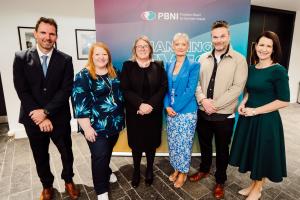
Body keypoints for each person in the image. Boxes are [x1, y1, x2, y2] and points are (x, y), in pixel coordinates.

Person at [13, 17, 80, 200]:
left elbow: (65, 89)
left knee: (66, 153)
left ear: (56, 37)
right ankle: (47, 186)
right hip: (32, 118)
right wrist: (39, 116)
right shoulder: (21, 58)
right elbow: (22, 90)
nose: (47, 37)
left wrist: (46, 112)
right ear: (36, 34)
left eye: (51, 34)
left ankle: (68, 180)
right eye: (43, 32)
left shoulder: (65, 60)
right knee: (40, 155)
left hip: (59, 117)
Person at [190, 20, 248, 199]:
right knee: (205, 145)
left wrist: (213, 105)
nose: (219, 40)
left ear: (228, 36)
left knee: (223, 149)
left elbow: (237, 88)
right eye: (215, 37)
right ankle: (204, 169)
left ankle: (220, 180)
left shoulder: (239, 59)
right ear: (211, 38)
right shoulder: (202, 58)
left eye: (222, 36)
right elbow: (196, 83)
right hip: (203, 112)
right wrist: (202, 100)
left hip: (224, 116)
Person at [229, 31, 290, 200]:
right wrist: (243, 103)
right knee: (253, 153)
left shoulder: (278, 71)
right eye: (261, 45)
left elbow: (284, 101)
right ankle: (253, 184)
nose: (264, 49)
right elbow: (251, 92)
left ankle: (258, 188)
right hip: (249, 117)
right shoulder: (252, 68)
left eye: (268, 46)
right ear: (255, 46)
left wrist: (255, 111)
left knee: (261, 154)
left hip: (266, 120)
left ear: (274, 49)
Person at [72, 42, 125, 200]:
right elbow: (79, 104)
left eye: (104, 54)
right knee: (99, 156)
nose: (101, 57)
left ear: (108, 56)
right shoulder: (83, 76)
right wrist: (87, 128)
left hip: (114, 124)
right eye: (97, 54)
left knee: (107, 153)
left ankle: (107, 172)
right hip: (94, 126)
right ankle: (101, 190)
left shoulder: (113, 72)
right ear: (92, 57)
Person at [120, 36, 167, 188]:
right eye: (139, 46)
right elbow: (125, 89)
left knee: (151, 144)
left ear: (150, 49)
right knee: (136, 144)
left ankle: (149, 170)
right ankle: (135, 171)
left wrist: (150, 105)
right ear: (135, 49)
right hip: (135, 113)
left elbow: (163, 87)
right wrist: (140, 104)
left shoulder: (159, 65)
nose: (142, 48)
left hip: (153, 113)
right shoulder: (128, 66)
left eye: (145, 46)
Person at [164, 33, 200, 188]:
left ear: (188, 46)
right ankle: (177, 169)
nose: (180, 47)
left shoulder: (193, 65)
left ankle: (183, 173)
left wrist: (174, 108)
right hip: (171, 111)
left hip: (186, 112)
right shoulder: (168, 64)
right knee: (174, 143)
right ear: (173, 46)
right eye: (177, 44)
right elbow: (165, 88)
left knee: (184, 144)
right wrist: (167, 106)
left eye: (183, 44)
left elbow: (190, 90)